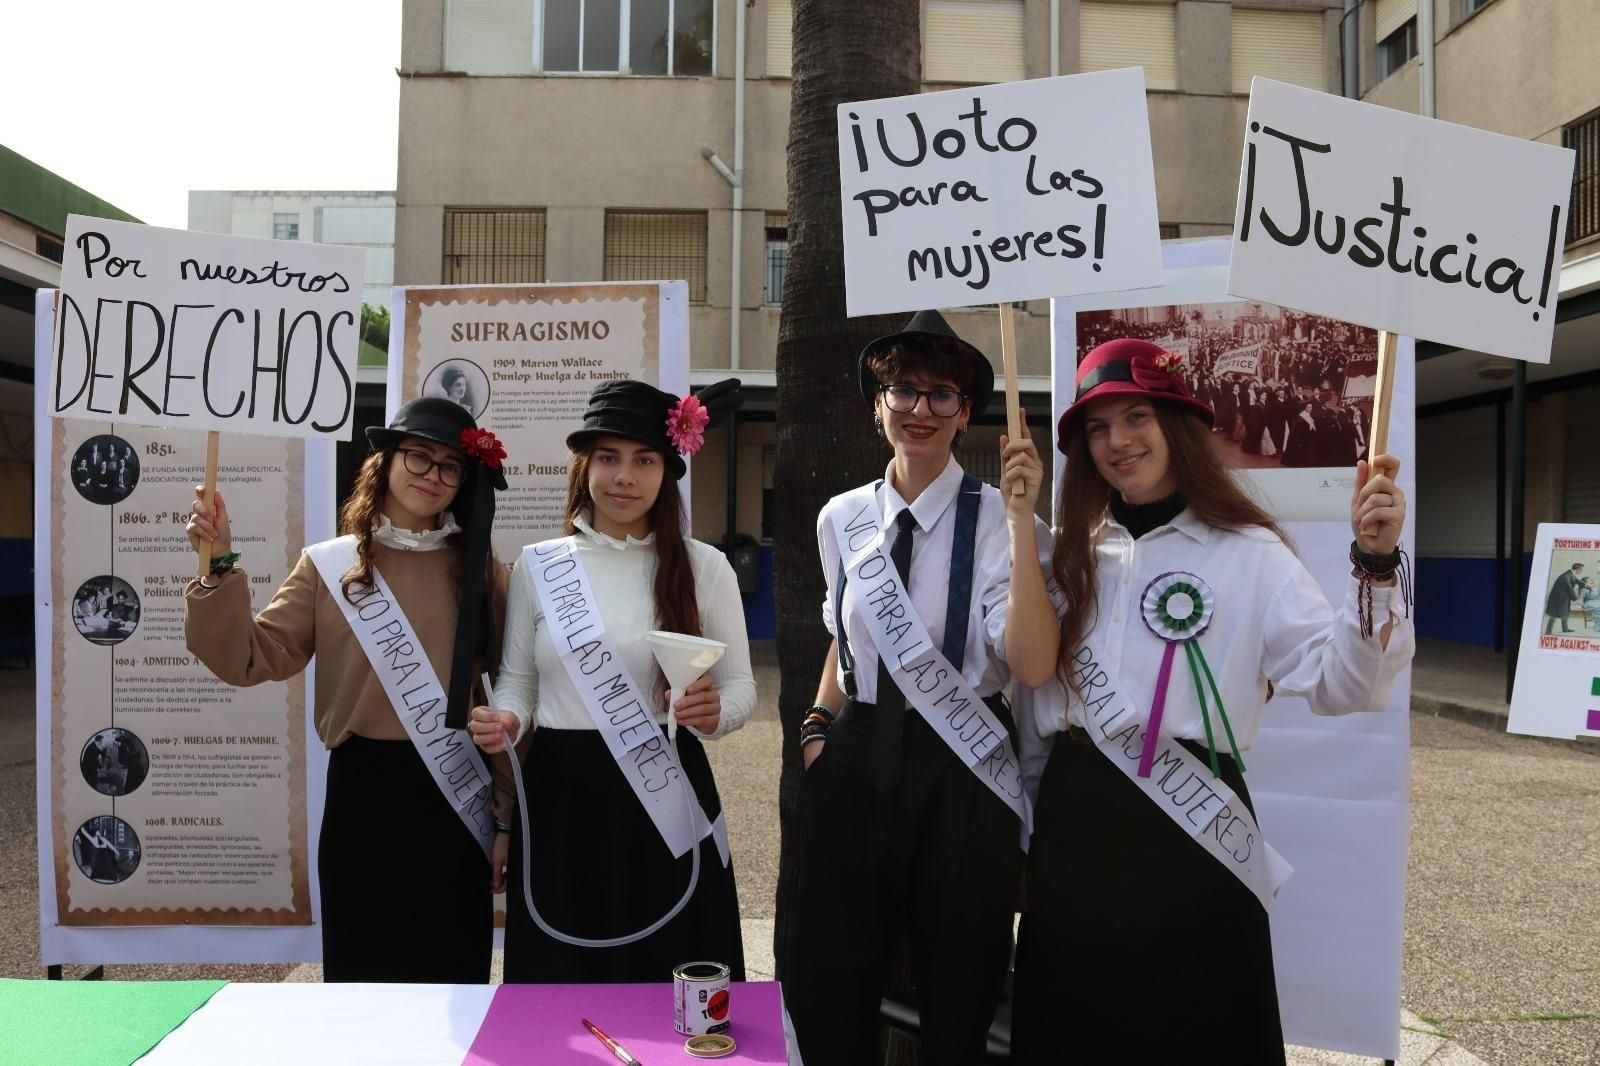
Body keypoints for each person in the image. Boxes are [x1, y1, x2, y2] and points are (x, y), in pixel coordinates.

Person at [1006, 337, 1415, 1064]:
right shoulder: (1067, 554)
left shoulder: (1249, 553)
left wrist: (1375, 567)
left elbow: (1344, 684)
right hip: (1076, 836)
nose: (1117, 442)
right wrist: (1028, 835)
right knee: (1075, 1030)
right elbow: (1037, 714)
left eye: (1136, 418)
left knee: (1196, 1028)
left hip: (1193, 835)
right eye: (1097, 428)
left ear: (1176, 426)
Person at [783, 310, 1052, 1066]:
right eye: (903, 390)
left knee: (959, 982)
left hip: (965, 768)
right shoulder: (843, 517)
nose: (920, 409)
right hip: (857, 751)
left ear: (966, 413)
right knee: (832, 973)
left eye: (942, 395)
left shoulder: (1007, 518)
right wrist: (816, 729)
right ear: (878, 404)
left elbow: (1032, 666)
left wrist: (1029, 528)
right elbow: (848, 637)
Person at [184, 397, 508, 983]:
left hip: (457, 797)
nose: (432, 476)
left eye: (449, 466)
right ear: (384, 463)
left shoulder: (483, 571)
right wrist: (220, 561)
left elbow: (508, 693)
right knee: (363, 979)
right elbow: (251, 658)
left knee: (454, 977)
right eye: (418, 457)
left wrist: (506, 819)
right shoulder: (329, 566)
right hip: (365, 798)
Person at [468, 378, 754, 984]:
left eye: (644, 459)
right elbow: (519, 683)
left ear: (667, 470)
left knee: (671, 968)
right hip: (560, 796)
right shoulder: (540, 565)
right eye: (608, 457)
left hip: (665, 785)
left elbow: (741, 691)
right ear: (585, 465)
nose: (625, 476)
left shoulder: (706, 567)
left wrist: (712, 713)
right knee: (562, 977)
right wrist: (510, 718)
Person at [1546, 562, 1585, 635]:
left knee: (1565, 613)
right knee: (1554, 615)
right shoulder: (1566, 576)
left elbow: (1577, 581)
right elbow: (1569, 588)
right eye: (1581, 570)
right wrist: (1576, 599)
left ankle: (1565, 629)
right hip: (1557, 598)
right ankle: (1548, 632)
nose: (1582, 571)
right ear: (1577, 569)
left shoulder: (1571, 574)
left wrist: (1586, 585)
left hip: (1564, 597)